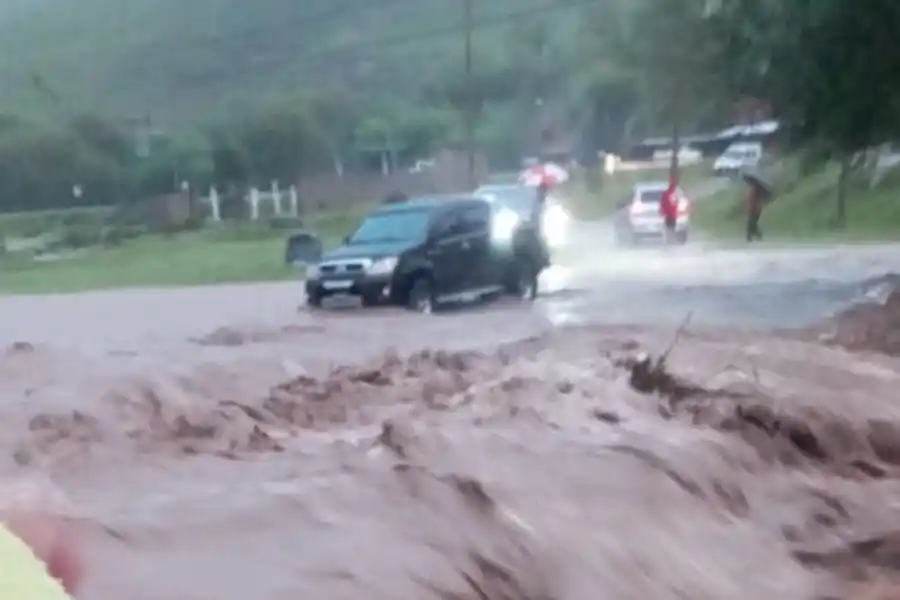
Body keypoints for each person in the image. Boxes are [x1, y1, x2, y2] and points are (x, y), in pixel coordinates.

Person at [745, 177, 768, 242]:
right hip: (753, 208)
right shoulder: (753, 189)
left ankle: (751, 236)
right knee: (752, 223)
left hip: (756, 208)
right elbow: (749, 199)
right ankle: (755, 235)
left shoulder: (757, 189)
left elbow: (757, 199)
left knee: (751, 222)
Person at [659, 176, 679, 244]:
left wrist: (662, 211)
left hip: (670, 214)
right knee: (670, 227)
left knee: (670, 227)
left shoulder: (668, 193)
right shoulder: (669, 193)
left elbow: (662, 203)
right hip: (670, 214)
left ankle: (670, 239)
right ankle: (670, 239)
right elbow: (663, 203)